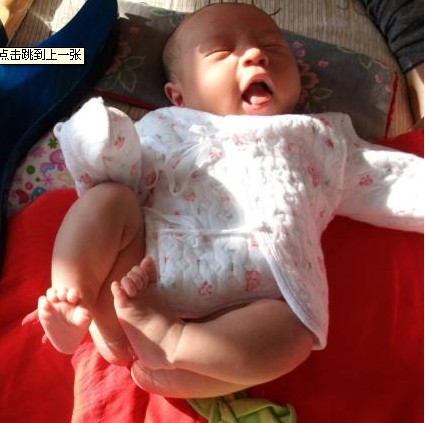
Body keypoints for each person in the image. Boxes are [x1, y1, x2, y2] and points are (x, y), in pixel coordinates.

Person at [35, 3, 423, 398]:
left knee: (293, 335)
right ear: (177, 95)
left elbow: (386, 178)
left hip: (255, 299)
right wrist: (102, 141)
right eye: (221, 51)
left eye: (273, 47)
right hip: (141, 273)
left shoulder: (319, 138)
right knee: (107, 199)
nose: (256, 54)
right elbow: (122, 174)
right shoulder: (166, 125)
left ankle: (175, 346)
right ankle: (76, 298)